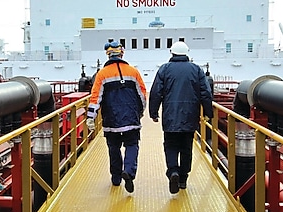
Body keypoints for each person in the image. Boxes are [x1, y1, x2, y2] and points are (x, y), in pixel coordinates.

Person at [148, 41, 213, 194]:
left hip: (170, 116)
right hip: (190, 116)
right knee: (186, 147)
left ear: (172, 53)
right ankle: (183, 178)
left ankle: (173, 172)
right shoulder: (196, 69)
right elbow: (206, 93)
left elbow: (156, 92)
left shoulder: (164, 69)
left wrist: (153, 112)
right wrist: (209, 113)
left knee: (170, 145)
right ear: (187, 53)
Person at [87, 40, 148, 193]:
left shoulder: (102, 74)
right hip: (131, 118)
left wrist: (90, 117)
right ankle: (128, 170)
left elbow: (95, 97)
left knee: (113, 148)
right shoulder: (133, 72)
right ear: (122, 53)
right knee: (132, 145)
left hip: (111, 119)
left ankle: (116, 178)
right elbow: (142, 94)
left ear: (107, 55)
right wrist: (140, 111)